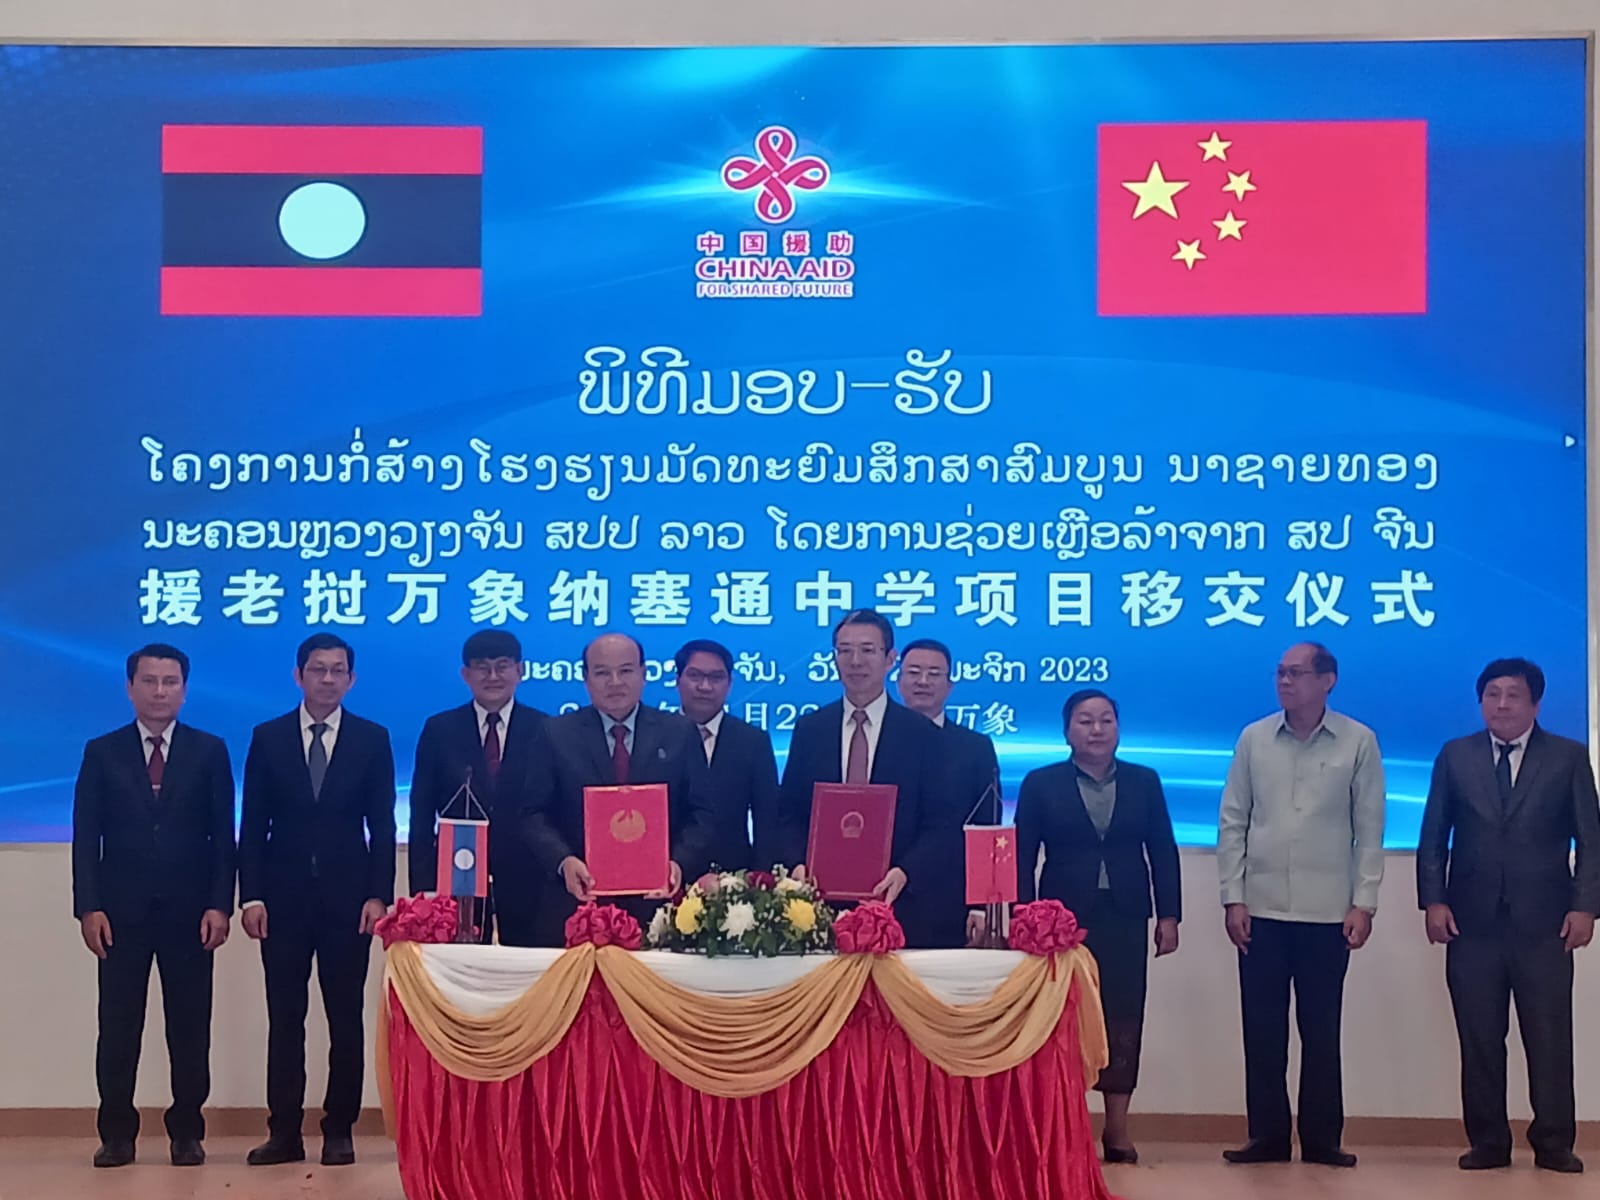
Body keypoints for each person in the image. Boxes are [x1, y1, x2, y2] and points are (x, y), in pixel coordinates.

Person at [1417, 657, 1599, 1174]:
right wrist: (1434, 900)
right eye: (1492, 694)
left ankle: (1554, 1143)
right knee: (1479, 1038)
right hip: (1471, 924)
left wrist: (1585, 906)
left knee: (1549, 1037)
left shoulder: (1567, 757)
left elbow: (1591, 840)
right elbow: (1434, 836)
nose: (1501, 704)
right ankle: (1488, 1142)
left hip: (1545, 924)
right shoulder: (1456, 756)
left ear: (1535, 704)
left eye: (1513, 695)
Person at [1217, 642, 1385, 1169]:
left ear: (1327, 680)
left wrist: (1364, 902)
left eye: (1296, 673)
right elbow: (1233, 820)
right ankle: (1266, 1136)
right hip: (1261, 909)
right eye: (1280, 673)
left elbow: (1369, 830)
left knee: (1321, 1029)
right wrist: (1233, 896)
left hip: (1328, 912)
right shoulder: (1254, 738)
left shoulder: (1358, 741)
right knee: (1262, 1030)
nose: (1285, 682)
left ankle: (1322, 1139)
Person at [71, 643, 236, 1169]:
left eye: (170, 682)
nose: (159, 691)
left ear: (184, 690)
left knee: (189, 1028)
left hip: (191, 915)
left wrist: (220, 904)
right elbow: (85, 837)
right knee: (119, 1028)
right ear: (130, 687)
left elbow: (223, 837)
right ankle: (116, 1134)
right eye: (149, 681)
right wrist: (88, 907)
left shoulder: (209, 751)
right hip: (120, 916)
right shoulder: (103, 751)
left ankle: (187, 1132)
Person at [239, 633, 396, 1169]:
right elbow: (252, 825)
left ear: (351, 679)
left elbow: (382, 825)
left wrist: (379, 895)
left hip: (349, 903)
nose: (327, 679)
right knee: (285, 1019)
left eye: (337, 670)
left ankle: (339, 1129)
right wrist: (251, 895)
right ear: (298, 675)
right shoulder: (268, 737)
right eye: (317, 669)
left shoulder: (372, 739)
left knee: (345, 1018)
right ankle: (283, 1131)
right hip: (281, 902)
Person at [1015, 688, 1179, 1164]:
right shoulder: (1041, 783)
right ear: (1067, 731)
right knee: (1063, 1019)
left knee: (1123, 1017)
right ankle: (1065, 1127)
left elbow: (1162, 850)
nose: (1097, 729)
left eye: (1106, 719)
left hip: (1126, 915)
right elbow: (1023, 856)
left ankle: (1117, 1129)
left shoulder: (1144, 781)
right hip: (1062, 922)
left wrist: (1169, 914)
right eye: (1085, 721)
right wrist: (1023, 918)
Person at [523, 632, 716, 938]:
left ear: (644, 673)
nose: (615, 682)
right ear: (586, 678)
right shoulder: (555, 733)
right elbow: (532, 814)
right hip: (577, 904)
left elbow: (703, 813)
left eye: (625, 671)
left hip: (660, 907)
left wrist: (678, 863)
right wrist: (563, 861)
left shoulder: (679, 732)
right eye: (602, 673)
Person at [777, 609, 952, 947]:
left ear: (890, 659)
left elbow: (940, 823)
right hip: (818, 909)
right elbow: (788, 814)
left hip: (899, 906)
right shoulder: (811, 729)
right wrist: (797, 866)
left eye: (867, 650)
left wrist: (906, 871)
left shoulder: (922, 734)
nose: (855, 661)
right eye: (845, 650)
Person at [408, 630, 547, 945]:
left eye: (502, 666)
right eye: (482, 667)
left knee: (527, 971)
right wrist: (423, 890)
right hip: (458, 879)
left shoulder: (545, 728)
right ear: (466, 674)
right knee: (462, 971)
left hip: (530, 880)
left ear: (520, 670)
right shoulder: (440, 729)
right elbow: (421, 813)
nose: (493, 676)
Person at [896, 637, 1001, 948]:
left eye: (934, 674)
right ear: (898, 681)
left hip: (950, 901)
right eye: (914, 672)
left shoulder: (975, 748)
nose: (923, 681)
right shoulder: (876, 740)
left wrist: (981, 905)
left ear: (950, 686)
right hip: (883, 897)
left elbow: (987, 827)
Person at [674, 638, 781, 871]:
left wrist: (760, 879)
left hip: (733, 879)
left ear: (730, 684)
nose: (705, 686)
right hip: (670, 874)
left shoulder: (753, 741)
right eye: (695, 676)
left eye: (716, 677)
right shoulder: (657, 737)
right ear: (677, 680)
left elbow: (767, 819)